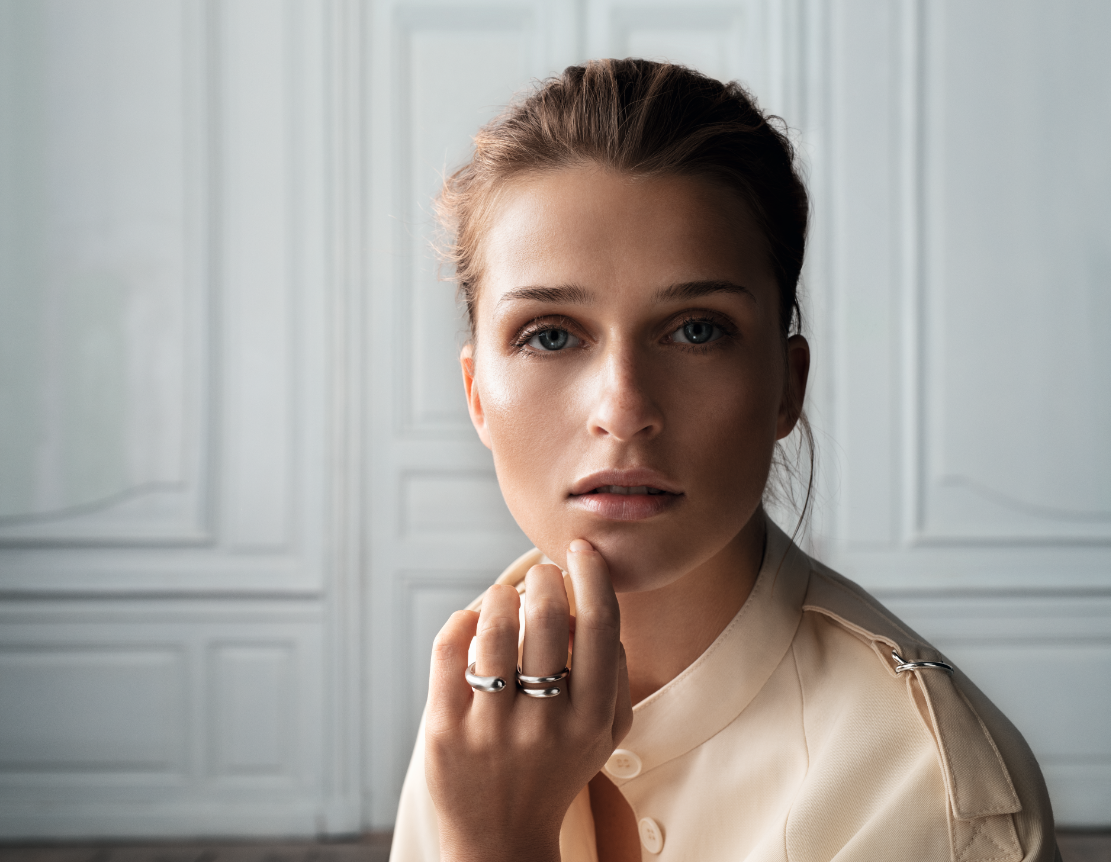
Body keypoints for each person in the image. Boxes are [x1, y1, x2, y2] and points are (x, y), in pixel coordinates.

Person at [390, 59, 1058, 862]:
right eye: (552, 335)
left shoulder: (928, 792)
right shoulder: (478, 686)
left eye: (696, 330)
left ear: (786, 387)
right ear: (475, 394)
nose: (622, 409)